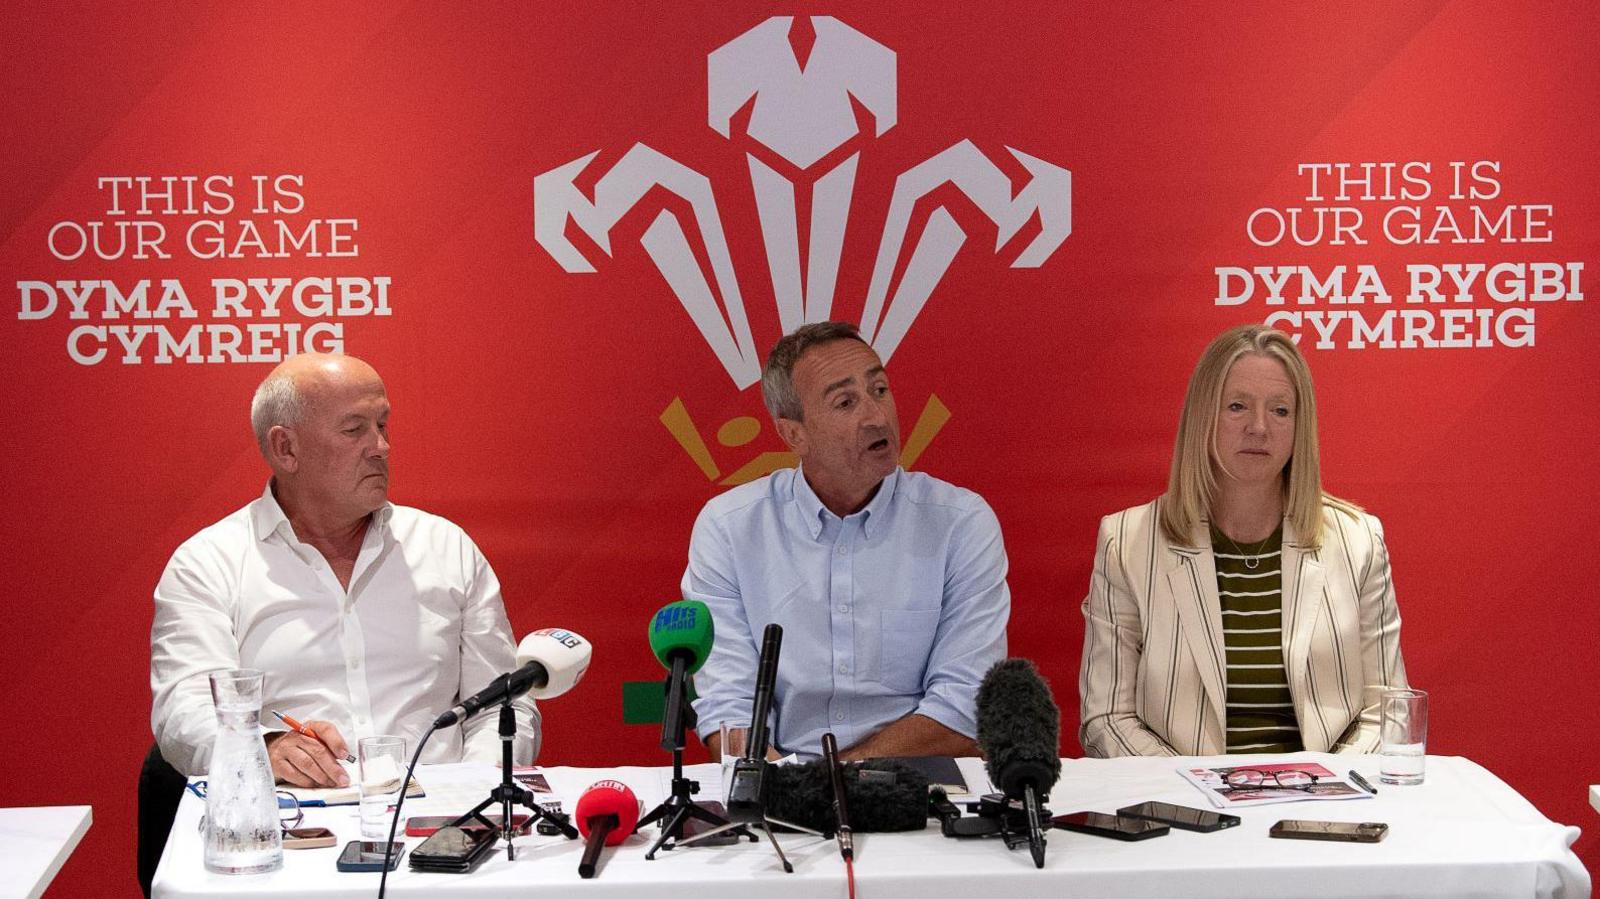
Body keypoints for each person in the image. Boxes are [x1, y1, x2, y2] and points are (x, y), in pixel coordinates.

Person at [150, 353, 537, 787]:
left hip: (442, 824)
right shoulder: (208, 563)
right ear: (286, 449)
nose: (381, 447)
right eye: (355, 430)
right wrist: (265, 747)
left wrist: (472, 793)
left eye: (382, 425)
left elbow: (505, 705)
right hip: (292, 821)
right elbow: (185, 711)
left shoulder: (446, 548)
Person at [684, 321, 1010, 761]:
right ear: (793, 433)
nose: (878, 416)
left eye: (880, 390)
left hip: (915, 779)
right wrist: (776, 781)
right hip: (779, 780)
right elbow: (729, 702)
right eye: (845, 401)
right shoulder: (729, 528)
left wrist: (832, 781)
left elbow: (964, 702)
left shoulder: (959, 523)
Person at [1079, 324, 1407, 757]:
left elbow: (1389, 709)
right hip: (1183, 810)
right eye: (1237, 406)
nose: (1259, 427)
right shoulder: (1127, 542)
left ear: (1300, 425)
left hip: (1325, 809)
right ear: (1203, 416)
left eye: (1280, 411)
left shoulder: (1358, 540)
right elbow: (1107, 718)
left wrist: (1325, 788)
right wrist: (1195, 793)